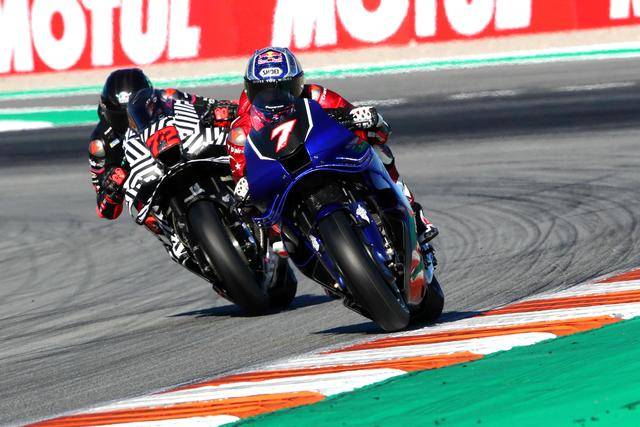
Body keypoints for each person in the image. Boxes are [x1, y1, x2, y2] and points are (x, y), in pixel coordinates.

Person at [226, 47, 439, 247]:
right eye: (264, 93)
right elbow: (242, 174)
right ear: (250, 91)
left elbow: (371, 126)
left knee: (379, 151)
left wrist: (365, 118)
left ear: (298, 84)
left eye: (284, 89)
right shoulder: (241, 127)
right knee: (277, 240)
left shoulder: (315, 94)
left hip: (322, 157)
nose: (275, 99)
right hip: (284, 184)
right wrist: (244, 184)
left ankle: (413, 211)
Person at [88, 68, 237, 271]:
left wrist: (220, 112)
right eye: (122, 115)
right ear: (107, 111)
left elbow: (212, 106)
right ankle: (183, 244)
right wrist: (112, 186)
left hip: (185, 153)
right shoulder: (100, 144)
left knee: (238, 148)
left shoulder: (169, 97)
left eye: (136, 107)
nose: (130, 118)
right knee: (154, 223)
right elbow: (104, 209)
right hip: (150, 189)